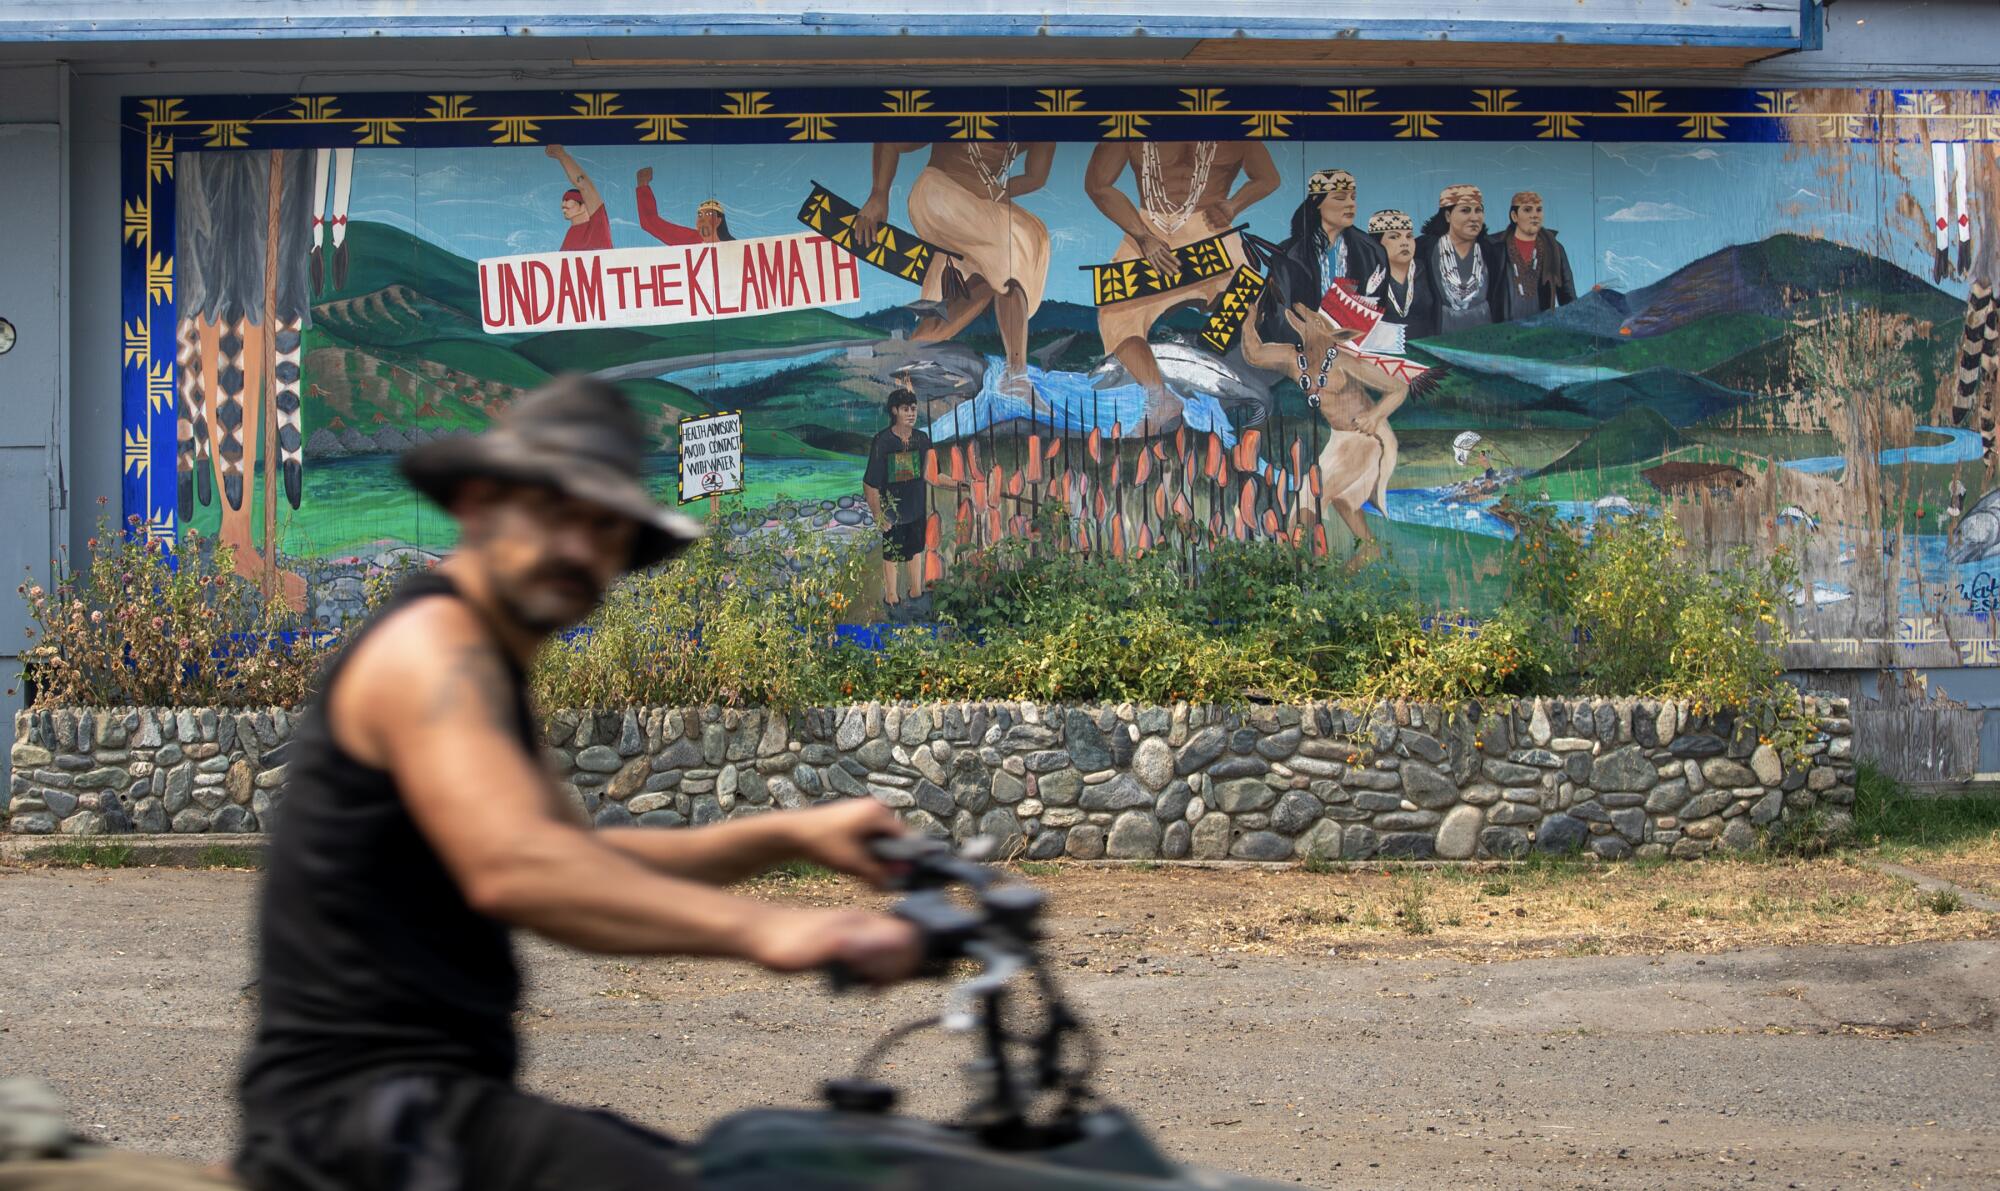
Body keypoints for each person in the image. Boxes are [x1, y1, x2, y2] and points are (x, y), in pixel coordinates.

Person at [233, 376, 922, 1191]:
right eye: (554, 512)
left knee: (746, 1160)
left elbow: (579, 860)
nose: (582, 549)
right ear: (481, 505)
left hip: (431, 1109)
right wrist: (770, 931)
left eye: (605, 530)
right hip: (365, 1127)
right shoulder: (433, 650)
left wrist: (789, 835)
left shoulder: (483, 669)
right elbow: (521, 867)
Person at [851, 141, 1055, 398]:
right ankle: (1016, 375)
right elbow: (891, 140)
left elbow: (1036, 177)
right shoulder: (958, 104)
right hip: (938, 195)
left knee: (992, 273)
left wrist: (993, 193)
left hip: (981, 211)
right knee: (1015, 240)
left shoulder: (1038, 118)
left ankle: (916, 351)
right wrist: (878, 195)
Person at [1085, 140, 1279, 405]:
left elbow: (1268, 178)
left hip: (1211, 230)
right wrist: (1143, 237)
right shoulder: (1130, 124)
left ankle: (1222, 383)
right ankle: (1159, 400)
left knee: (1247, 292)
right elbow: (1098, 185)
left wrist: (1233, 205)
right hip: (1147, 232)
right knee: (1115, 317)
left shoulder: (1235, 126)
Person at [863, 386, 935, 621]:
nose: (911, 413)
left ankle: (916, 595)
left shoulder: (922, 439)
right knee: (891, 556)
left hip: (916, 511)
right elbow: (870, 483)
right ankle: (892, 600)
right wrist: (878, 515)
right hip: (892, 514)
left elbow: (931, 474)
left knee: (916, 551)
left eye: (914, 409)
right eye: (906, 409)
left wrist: (957, 482)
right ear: (894, 411)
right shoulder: (883, 441)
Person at [1414, 184, 1502, 335]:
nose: (1474, 217)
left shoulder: (1493, 251)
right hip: (1439, 337)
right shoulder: (1423, 249)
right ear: (1448, 216)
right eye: (1465, 210)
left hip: (1486, 337)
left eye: (1478, 210)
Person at [1489, 190, 1576, 320]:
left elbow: (1568, 297)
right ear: (1514, 216)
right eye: (1528, 210)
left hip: (1540, 330)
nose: (1534, 215)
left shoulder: (1554, 249)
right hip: (1503, 330)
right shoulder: (1495, 248)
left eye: (1539, 210)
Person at [1367, 209, 1438, 341]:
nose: (1405, 242)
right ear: (1376, 243)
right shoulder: (1367, 275)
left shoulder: (1428, 270)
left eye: (1409, 236)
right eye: (1394, 237)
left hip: (1427, 348)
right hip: (1384, 352)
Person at [635, 167, 735, 245]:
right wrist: (643, 185)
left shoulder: (735, 246)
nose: (702, 218)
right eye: (699, 215)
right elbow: (651, 223)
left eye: (708, 213)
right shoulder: (692, 240)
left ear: (718, 220)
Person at [547, 144, 611, 251]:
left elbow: (585, 186)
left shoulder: (598, 224)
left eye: (567, 200)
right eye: (563, 201)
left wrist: (562, 155)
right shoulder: (570, 234)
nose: (563, 204)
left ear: (584, 206)